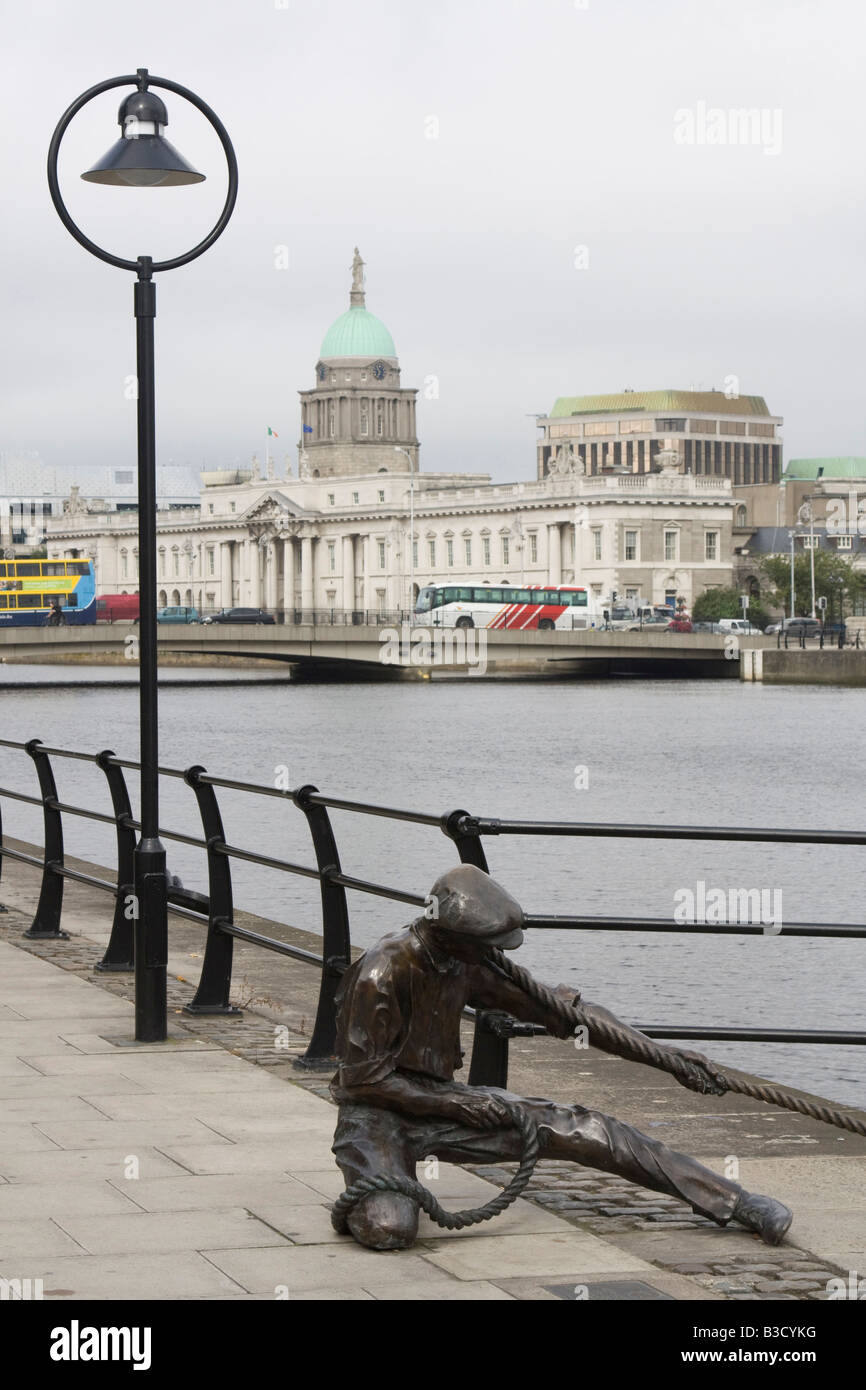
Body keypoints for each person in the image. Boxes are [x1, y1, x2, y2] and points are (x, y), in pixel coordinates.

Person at [330, 864, 793, 1252]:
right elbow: (360, 1082)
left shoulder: (469, 962)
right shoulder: (382, 972)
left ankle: (736, 1201)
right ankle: (379, 1179)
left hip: (442, 1100)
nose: (496, 955)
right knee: (390, 1229)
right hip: (378, 1113)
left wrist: (667, 1058)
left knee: (590, 1129)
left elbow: (566, 1014)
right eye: (486, 945)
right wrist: (459, 1105)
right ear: (450, 935)